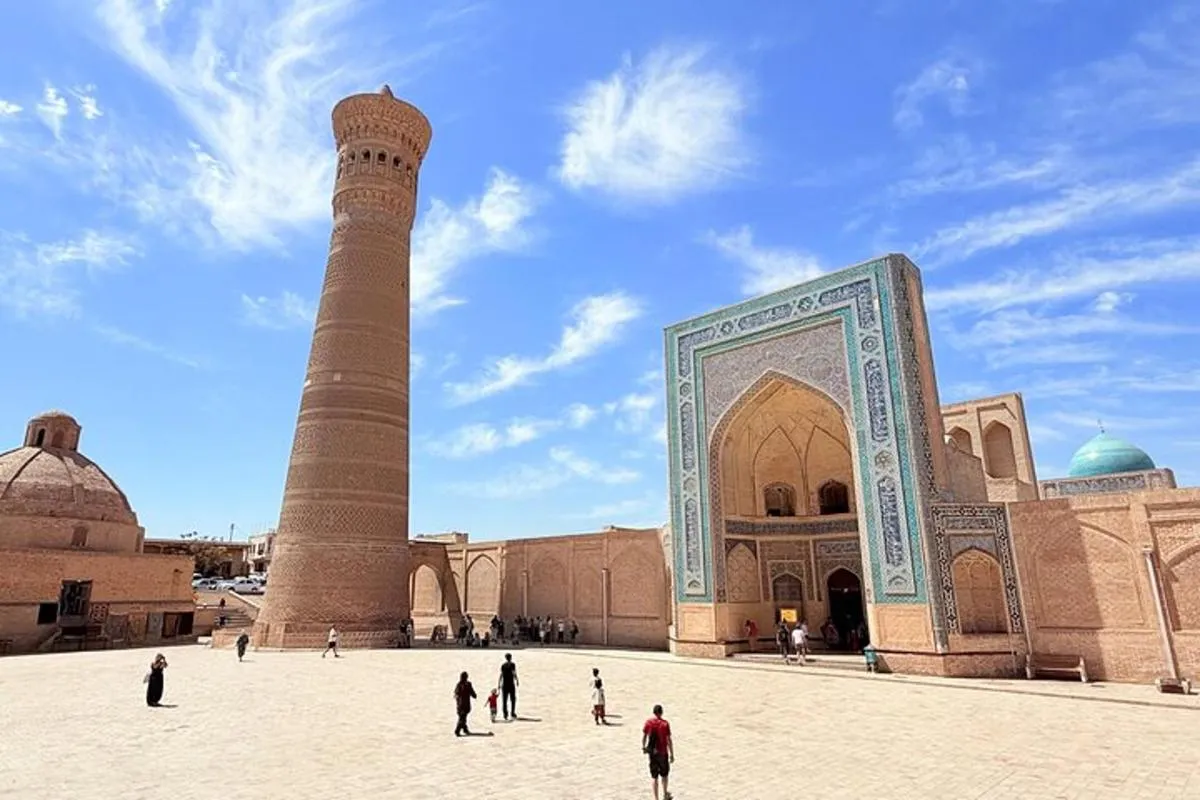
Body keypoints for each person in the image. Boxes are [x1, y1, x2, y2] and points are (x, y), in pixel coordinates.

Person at [642, 704, 674, 800]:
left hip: (652, 753)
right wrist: (672, 754)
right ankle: (665, 793)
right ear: (661, 712)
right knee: (664, 774)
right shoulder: (665, 724)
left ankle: (656, 798)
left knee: (654, 776)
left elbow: (644, 736)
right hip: (663, 752)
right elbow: (669, 740)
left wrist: (644, 747)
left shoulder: (648, 722)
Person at [453, 671, 477, 736]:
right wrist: (474, 695)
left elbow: (456, 694)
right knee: (462, 718)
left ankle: (465, 729)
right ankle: (457, 730)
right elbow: (472, 692)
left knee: (462, 717)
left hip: (460, 705)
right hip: (464, 705)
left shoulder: (459, 684)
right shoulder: (467, 684)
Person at [499, 652, 519, 720]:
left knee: (504, 700)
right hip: (511, 684)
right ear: (510, 657)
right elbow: (514, 672)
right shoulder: (513, 664)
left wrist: (499, 683)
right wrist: (517, 679)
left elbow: (501, 674)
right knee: (513, 699)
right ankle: (512, 713)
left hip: (504, 684)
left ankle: (505, 714)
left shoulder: (503, 665)